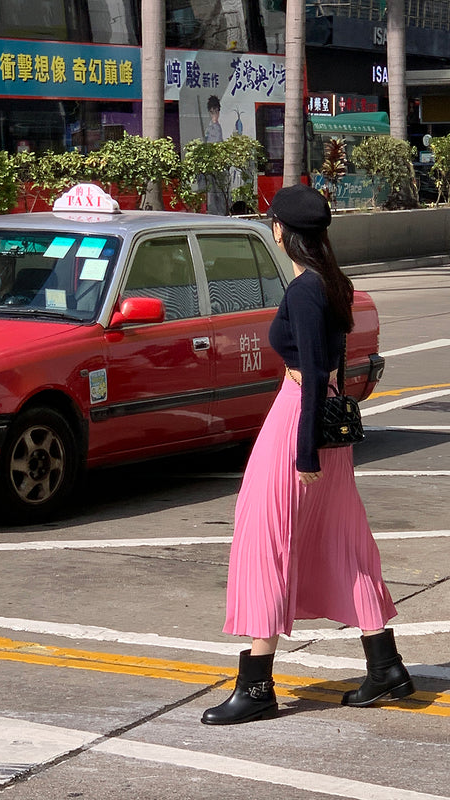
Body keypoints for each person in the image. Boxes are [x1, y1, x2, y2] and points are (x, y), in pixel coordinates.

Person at [201, 184, 415, 726]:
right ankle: (385, 665)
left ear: (282, 232)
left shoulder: (302, 290)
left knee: (264, 538)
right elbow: (333, 370)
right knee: (348, 542)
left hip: (302, 421)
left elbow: (314, 373)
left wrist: (304, 454)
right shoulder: (334, 282)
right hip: (331, 423)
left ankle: (256, 686)